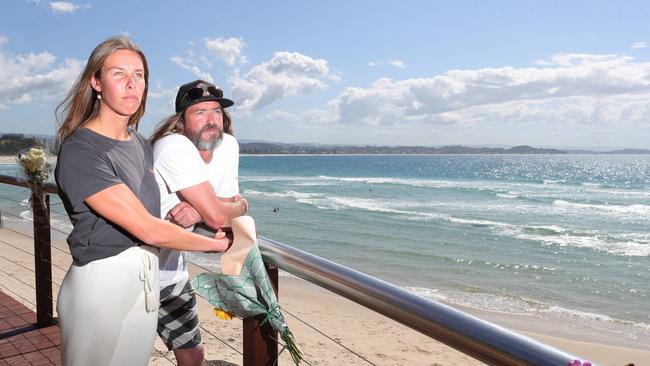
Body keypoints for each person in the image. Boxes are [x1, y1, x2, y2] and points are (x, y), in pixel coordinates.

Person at [54, 37, 230, 366]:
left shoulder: (138, 142)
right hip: (102, 284)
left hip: (147, 279)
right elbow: (148, 228)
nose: (132, 83)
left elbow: (156, 212)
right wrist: (219, 246)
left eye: (139, 74)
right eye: (119, 74)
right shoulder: (82, 149)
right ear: (96, 82)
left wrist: (193, 208)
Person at [149, 80, 248, 366]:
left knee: (193, 356)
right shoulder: (172, 145)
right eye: (200, 112)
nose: (211, 120)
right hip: (137, 276)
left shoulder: (228, 145)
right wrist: (238, 205)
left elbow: (226, 219)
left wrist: (201, 208)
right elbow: (221, 215)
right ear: (181, 123)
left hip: (172, 274)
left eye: (216, 111)